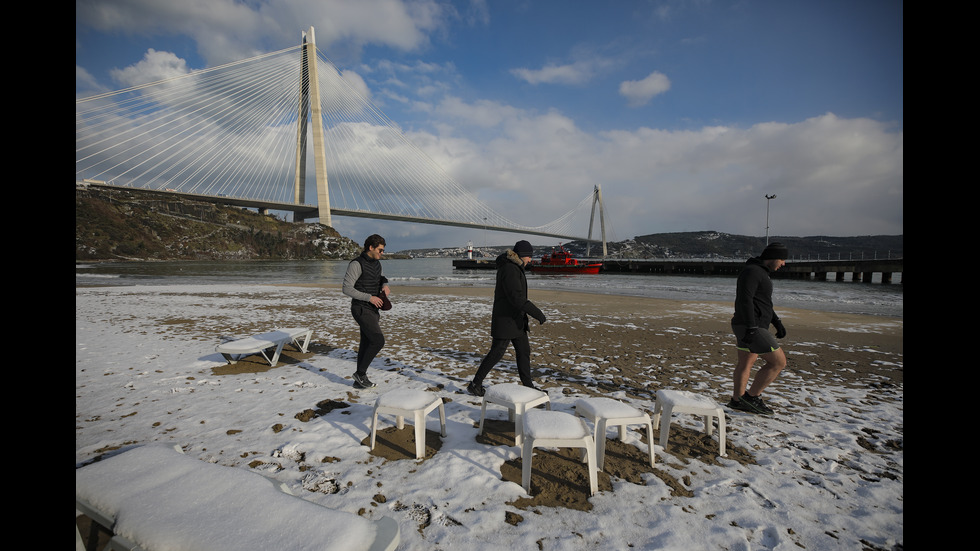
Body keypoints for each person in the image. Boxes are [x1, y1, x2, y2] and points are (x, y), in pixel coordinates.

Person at [467, 240, 547, 396]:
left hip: (516, 320)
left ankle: (528, 386)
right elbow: (516, 298)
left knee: (524, 351)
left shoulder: (515, 267)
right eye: (529, 257)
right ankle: (475, 384)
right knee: (496, 353)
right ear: (522, 255)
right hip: (506, 320)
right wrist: (538, 313)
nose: (530, 260)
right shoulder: (510, 269)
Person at [728, 242, 789, 415]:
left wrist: (776, 321)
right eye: (782, 259)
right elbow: (745, 300)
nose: (783, 263)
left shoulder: (759, 272)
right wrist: (752, 327)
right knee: (778, 362)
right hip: (750, 326)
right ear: (773, 257)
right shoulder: (753, 272)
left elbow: (763, 303)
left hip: (748, 324)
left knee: (746, 363)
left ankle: (737, 401)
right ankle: (752, 397)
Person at [342, 234, 390, 389]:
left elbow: (379, 277)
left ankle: (359, 380)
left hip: (373, 309)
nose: (382, 253)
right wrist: (369, 298)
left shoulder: (377, 263)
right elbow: (346, 288)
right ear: (371, 247)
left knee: (366, 342)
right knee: (378, 340)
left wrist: (385, 284)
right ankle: (360, 373)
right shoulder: (356, 264)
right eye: (380, 250)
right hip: (361, 308)